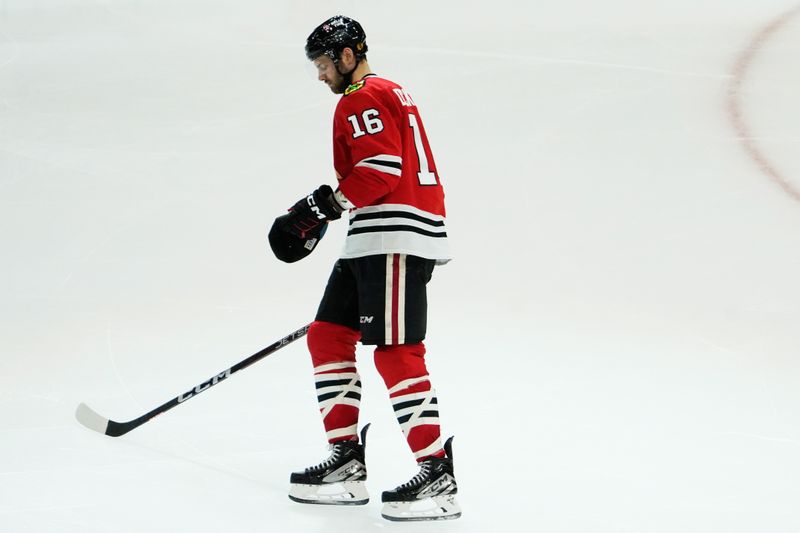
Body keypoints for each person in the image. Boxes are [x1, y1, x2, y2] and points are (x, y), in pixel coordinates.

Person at [275, 15, 460, 522]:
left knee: (397, 352)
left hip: (395, 235)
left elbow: (381, 170)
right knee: (328, 336)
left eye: (322, 63)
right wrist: (328, 207)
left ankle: (437, 473)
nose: (319, 75)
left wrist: (324, 205)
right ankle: (347, 465)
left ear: (348, 55)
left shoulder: (362, 96)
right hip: (372, 238)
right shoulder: (386, 93)